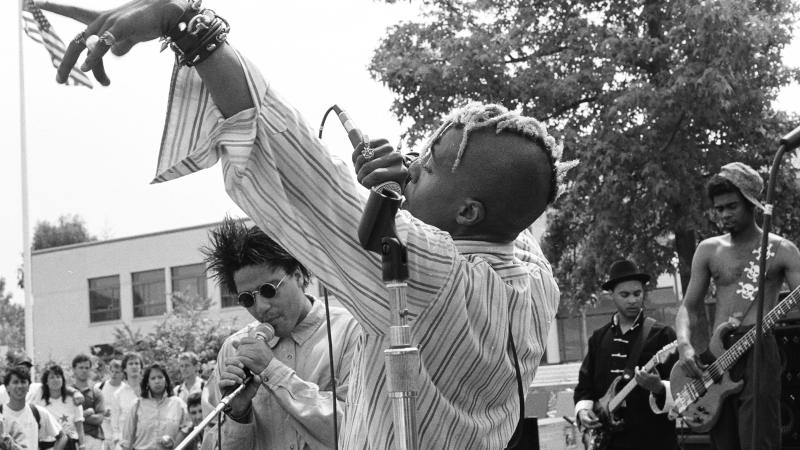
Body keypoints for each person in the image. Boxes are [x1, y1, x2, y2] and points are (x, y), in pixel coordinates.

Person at [38, 1, 564, 447]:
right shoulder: (538, 280)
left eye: (423, 167)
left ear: (467, 212)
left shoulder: (427, 273)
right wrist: (416, 185)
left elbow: (297, 163)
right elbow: (512, 210)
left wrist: (187, 26)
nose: (407, 167)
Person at [203, 219, 362, 449]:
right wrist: (238, 414)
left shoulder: (350, 332)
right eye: (247, 298)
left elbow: (358, 431)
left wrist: (273, 371)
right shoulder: (234, 349)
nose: (261, 308)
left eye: (269, 290)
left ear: (298, 275)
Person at [674, 162, 800, 450]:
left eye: (732, 206)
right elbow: (688, 308)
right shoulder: (708, 249)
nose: (724, 215)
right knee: (724, 441)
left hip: (760, 350)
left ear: (753, 204)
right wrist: (684, 345)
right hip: (718, 354)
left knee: (759, 439)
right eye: (719, 209)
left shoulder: (782, 250)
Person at [574, 260, 678, 450]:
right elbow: (585, 386)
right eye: (625, 295)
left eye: (637, 294)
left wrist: (659, 387)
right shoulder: (598, 338)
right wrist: (583, 411)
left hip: (653, 440)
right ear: (611, 295)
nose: (632, 300)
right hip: (608, 442)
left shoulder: (663, 334)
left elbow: (682, 389)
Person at [120, 363, 191, 450]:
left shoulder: (177, 404)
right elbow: (127, 440)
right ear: (147, 382)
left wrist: (175, 443)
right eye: (153, 378)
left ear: (166, 380)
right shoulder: (137, 405)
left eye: (160, 377)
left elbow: (188, 426)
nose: (157, 381)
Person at [1, 365, 65, 450]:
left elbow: (62, 437)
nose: (20, 386)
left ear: (28, 387)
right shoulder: (1, 413)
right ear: (7, 387)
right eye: (15, 382)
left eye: (23, 382)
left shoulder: (38, 412)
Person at [34, 364, 86, 450]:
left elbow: (80, 427)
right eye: (52, 377)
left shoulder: (73, 400)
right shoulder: (39, 401)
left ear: (63, 380)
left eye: (58, 376)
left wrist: (82, 446)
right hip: (47, 444)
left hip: (70, 444)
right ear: (46, 381)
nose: (55, 380)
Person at [72, 355, 106, 450]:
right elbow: (68, 418)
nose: (84, 370)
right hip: (74, 439)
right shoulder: (69, 392)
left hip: (95, 439)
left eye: (87, 368)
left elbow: (99, 419)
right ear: (74, 369)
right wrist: (87, 413)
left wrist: (77, 417)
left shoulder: (96, 392)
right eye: (81, 367)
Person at [111, 353, 142, 450]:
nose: (134, 366)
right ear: (124, 369)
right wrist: (118, 441)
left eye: (137, 363)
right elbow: (114, 423)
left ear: (141, 367)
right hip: (124, 443)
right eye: (131, 363)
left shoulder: (148, 391)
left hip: (144, 441)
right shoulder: (118, 394)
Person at [98, 360, 123, 450]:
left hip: (118, 430)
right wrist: (102, 412)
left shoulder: (125, 389)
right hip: (102, 428)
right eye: (112, 371)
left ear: (123, 373)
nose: (114, 374)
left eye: (117, 372)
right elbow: (92, 406)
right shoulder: (99, 387)